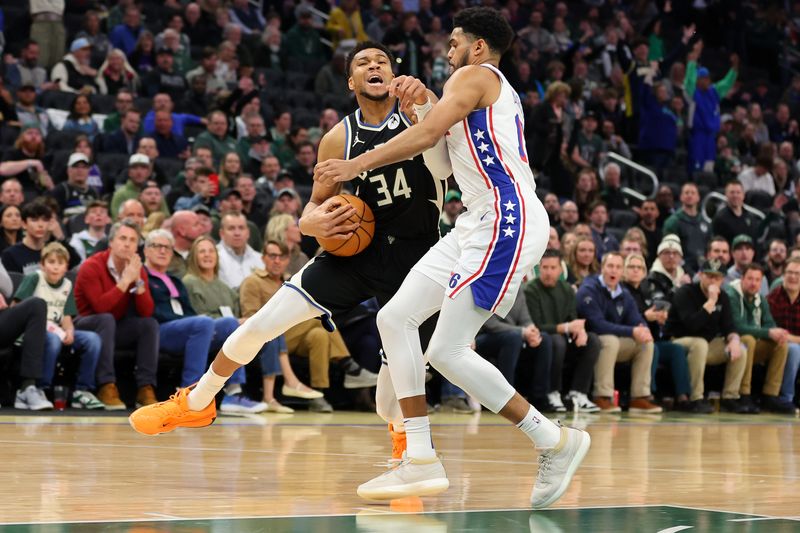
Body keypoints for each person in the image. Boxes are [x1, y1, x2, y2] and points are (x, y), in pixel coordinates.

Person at [313, 9, 589, 505]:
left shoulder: (476, 75)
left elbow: (421, 138)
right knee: (394, 318)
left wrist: (357, 162)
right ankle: (418, 457)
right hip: (473, 222)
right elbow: (438, 157)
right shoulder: (464, 93)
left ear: (478, 47)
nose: (447, 49)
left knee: (446, 351)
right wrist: (423, 106)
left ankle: (554, 439)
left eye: (455, 40)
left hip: (507, 214)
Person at [130, 40, 446, 471]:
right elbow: (314, 205)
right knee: (259, 324)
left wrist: (427, 100)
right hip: (357, 250)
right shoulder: (338, 138)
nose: (375, 66)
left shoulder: (420, 119)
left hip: (418, 255)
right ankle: (198, 401)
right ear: (351, 81)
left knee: (388, 399)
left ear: (394, 75)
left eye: (382, 62)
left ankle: (402, 441)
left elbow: (445, 162)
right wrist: (309, 223)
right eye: (363, 63)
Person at [182, 236, 313, 414]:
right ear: (193, 257)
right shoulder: (189, 281)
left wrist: (240, 321)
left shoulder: (223, 286)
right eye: (202, 251)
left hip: (231, 329)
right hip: (205, 333)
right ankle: (234, 392)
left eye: (211, 251)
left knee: (270, 332)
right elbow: (195, 316)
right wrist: (237, 322)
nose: (207, 255)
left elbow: (238, 313)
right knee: (233, 324)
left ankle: (269, 396)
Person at [143, 229, 265, 413]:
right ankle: (189, 390)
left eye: (167, 248)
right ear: (146, 250)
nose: (163, 251)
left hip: (183, 328)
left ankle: (234, 392)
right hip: (158, 330)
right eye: (157, 246)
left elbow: (189, 313)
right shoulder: (143, 276)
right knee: (203, 323)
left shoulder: (174, 280)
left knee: (230, 324)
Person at [73, 220, 160, 410]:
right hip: (85, 324)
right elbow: (100, 307)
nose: (127, 244)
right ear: (111, 242)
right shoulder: (92, 266)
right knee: (106, 319)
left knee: (149, 324)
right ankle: (106, 386)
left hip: (114, 326)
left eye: (132, 240)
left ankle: (145, 388)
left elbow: (147, 311)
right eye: (122, 238)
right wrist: (125, 281)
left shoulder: (137, 268)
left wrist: (137, 280)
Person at [13, 243, 104, 409]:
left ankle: (82, 391)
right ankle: (39, 387)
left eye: (60, 263)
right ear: (42, 264)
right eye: (51, 262)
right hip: (34, 330)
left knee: (93, 339)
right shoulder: (34, 278)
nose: (55, 267)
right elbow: (16, 307)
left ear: (66, 267)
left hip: (56, 329)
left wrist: (69, 331)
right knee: (53, 340)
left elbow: (66, 317)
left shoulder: (67, 284)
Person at [577, 253, 660, 414]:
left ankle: (639, 397)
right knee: (610, 340)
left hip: (613, 342)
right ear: (602, 268)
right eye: (610, 266)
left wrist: (643, 329)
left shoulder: (624, 294)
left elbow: (635, 318)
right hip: (589, 340)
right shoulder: (589, 289)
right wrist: (632, 331)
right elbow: (597, 325)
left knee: (646, 343)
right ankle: (602, 396)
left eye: (617, 267)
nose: (613, 271)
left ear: (622, 272)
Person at [664, 259, 751, 413]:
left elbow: (729, 326)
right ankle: (695, 398)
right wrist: (711, 302)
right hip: (679, 341)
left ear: (723, 280)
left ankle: (730, 398)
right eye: (709, 276)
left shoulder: (723, 297)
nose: (712, 281)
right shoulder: (685, 292)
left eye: (717, 277)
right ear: (700, 275)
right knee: (700, 344)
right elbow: (692, 325)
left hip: (707, 344)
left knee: (741, 348)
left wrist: (734, 340)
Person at [525, 250, 600, 413]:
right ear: (539, 268)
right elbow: (536, 325)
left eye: (553, 268)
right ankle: (552, 392)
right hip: (540, 341)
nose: (548, 272)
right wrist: (565, 328)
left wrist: (580, 331)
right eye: (545, 267)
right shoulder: (530, 289)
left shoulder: (566, 288)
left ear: (560, 269)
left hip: (563, 340)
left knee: (593, 340)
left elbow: (572, 317)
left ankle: (578, 392)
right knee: (556, 340)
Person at [725, 264, 795, 413]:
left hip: (752, 347)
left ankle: (771, 395)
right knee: (748, 339)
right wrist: (769, 332)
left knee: (781, 344)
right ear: (742, 279)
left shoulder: (761, 299)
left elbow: (770, 323)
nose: (753, 283)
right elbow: (738, 327)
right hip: (730, 344)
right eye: (750, 278)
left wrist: (776, 333)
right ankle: (744, 394)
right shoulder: (731, 295)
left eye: (757, 280)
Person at [766, 257, 800, 410]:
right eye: (790, 272)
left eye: (798, 273)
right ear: (783, 275)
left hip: (791, 341)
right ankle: (786, 398)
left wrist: (790, 338)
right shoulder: (773, 298)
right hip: (778, 346)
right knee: (793, 350)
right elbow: (769, 329)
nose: (793, 277)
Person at [662, 182, 708, 273]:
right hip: (680, 269)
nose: (689, 195)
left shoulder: (705, 222)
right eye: (686, 193)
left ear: (698, 197)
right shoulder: (672, 222)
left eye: (693, 193)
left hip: (703, 268)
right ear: (681, 197)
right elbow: (670, 249)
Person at [215, 211, 262, 290]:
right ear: (222, 233)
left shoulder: (260, 259)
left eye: (241, 228)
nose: (237, 233)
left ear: (248, 233)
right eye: (231, 228)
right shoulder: (213, 258)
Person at [711, 180, 760, 246]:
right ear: (726, 194)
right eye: (732, 192)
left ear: (743, 195)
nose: (735, 196)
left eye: (738, 192)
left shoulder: (750, 217)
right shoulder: (720, 219)